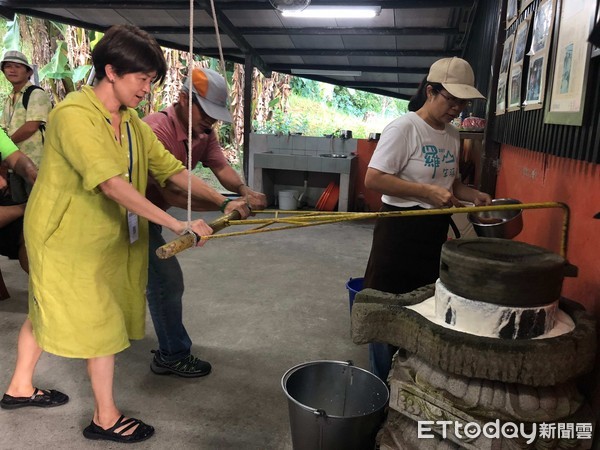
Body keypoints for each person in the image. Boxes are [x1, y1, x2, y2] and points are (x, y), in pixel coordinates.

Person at [0, 24, 250, 444]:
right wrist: (176, 223)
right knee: (102, 323)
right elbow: (110, 183)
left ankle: (19, 387)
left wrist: (224, 201)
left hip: (102, 234)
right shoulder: (72, 115)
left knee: (44, 308)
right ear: (111, 71)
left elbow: (170, 169)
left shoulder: (132, 122)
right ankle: (105, 417)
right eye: (142, 78)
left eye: (152, 81)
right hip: (64, 238)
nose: (147, 89)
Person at [363, 57, 492, 382]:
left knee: (423, 303)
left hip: (433, 232)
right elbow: (374, 178)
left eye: (463, 102)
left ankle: (407, 377)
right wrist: (424, 192)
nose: (457, 108)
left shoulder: (451, 133)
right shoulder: (405, 127)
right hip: (399, 231)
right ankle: (380, 384)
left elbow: (451, 182)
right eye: (451, 100)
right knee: (388, 307)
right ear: (431, 91)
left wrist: (471, 194)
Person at [143, 68, 267, 377]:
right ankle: (171, 354)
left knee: (153, 280)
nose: (210, 121)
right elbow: (172, 191)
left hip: (154, 215)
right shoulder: (156, 129)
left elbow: (221, 167)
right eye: (206, 112)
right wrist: (224, 203)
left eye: (215, 114)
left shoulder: (203, 133)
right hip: (128, 215)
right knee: (165, 281)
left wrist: (243, 191)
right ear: (185, 99)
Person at [0, 50, 52, 202]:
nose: (12, 70)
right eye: (8, 66)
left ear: (28, 72)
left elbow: (32, 126)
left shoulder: (36, 93)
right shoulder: (9, 99)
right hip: (14, 164)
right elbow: (3, 128)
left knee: (37, 204)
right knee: (19, 205)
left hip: (36, 162)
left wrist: (6, 146)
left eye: (17, 66)